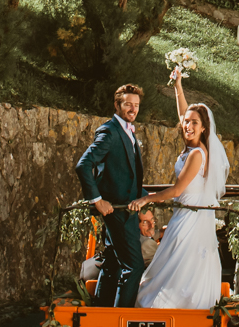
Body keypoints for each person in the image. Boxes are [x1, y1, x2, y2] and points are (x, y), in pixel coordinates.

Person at [128, 67, 229, 310]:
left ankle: (175, 311)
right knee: (173, 263)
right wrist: (178, 86)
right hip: (185, 214)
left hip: (189, 218)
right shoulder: (192, 144)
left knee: (178, 264)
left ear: (204, 128)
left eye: (195, 123)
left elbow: (175, 191)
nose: (188, 126)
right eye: (186, 123)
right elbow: (185, 113)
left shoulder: (196, 155)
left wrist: (146, 199)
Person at [75, 83, 146, 307]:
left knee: (113, 263)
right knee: (134, 266)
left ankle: (102, 310)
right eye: (128, 104)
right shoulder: (110, 131)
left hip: (127, 209)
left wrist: (148, 197)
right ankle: (121, 319)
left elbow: (126, 175)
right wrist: (97, 200)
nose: (133, 109)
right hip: (118, 212)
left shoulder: (127, 131)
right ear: (117, 105)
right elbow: (84, 165)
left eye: (136, 105)